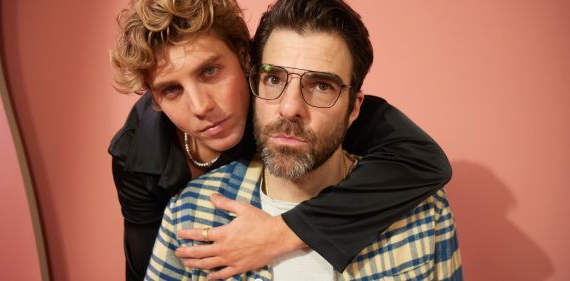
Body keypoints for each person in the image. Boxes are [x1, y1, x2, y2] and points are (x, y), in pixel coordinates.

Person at [109, 0, 452, 280]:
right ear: (154, 100)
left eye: (210, 71)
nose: (201, 107)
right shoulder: (141, 163)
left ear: (245, 59)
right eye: (172, 89)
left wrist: (284, 232)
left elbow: (423, 160)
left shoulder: (319, 113)